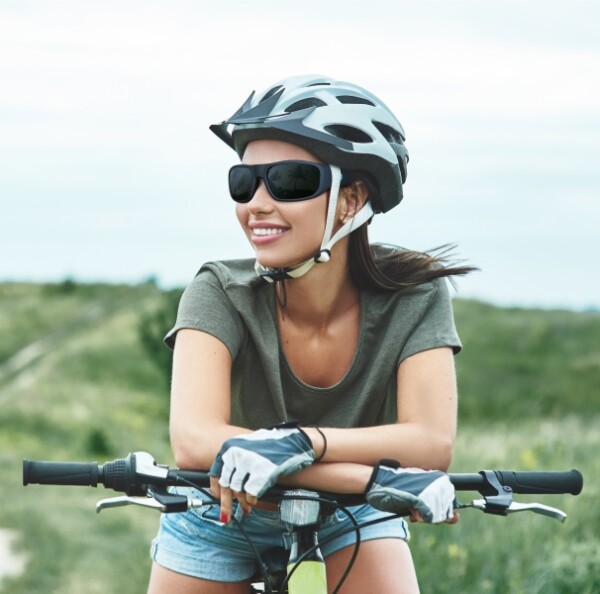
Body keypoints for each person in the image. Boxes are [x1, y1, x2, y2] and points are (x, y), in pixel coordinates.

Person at [147, 74, 474, 594]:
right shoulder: (218, 291)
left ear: (351, 200)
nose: (256, 203)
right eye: (244, 182)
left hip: (354, 512)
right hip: (222, 509)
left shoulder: (414, 295)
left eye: (289, 181)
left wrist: (300, 443)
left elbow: (430, 444)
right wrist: (371, 477)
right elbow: (194, 443)